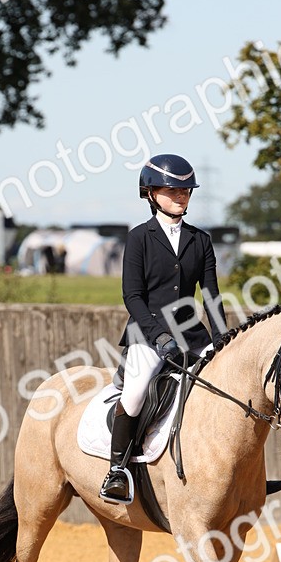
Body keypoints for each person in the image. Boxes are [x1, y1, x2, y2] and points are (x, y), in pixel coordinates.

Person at [99, 153, 225, 504]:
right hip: (147, 333)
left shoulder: (201, 241)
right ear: (150, 192)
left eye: (186, 191)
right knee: (136, 391)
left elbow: (212, 295)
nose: (181, 196)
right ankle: (117, 470)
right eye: (172, 190)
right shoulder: (139, 238)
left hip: (193, 334)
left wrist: (221, 339)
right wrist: (158, 337)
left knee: (228, 384)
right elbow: (132, 296)